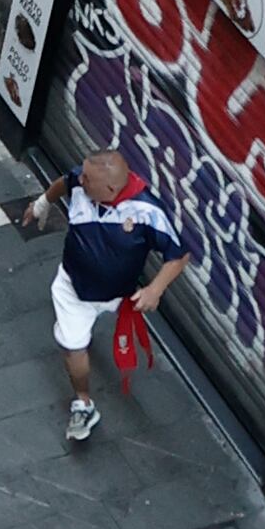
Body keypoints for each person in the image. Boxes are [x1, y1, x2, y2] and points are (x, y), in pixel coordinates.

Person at [17, 150, 189, 451]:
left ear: (111, 189)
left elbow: (178, 255)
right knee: (73, 345)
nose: (79, 180)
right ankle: (83, 404)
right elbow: (64, 182)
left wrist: (154, 289)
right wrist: (43, 203)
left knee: (79, 338)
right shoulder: (82, 183)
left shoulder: (148, 212)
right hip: (75, 289)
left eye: (87, 179)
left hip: (118, 294)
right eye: (82, 174)